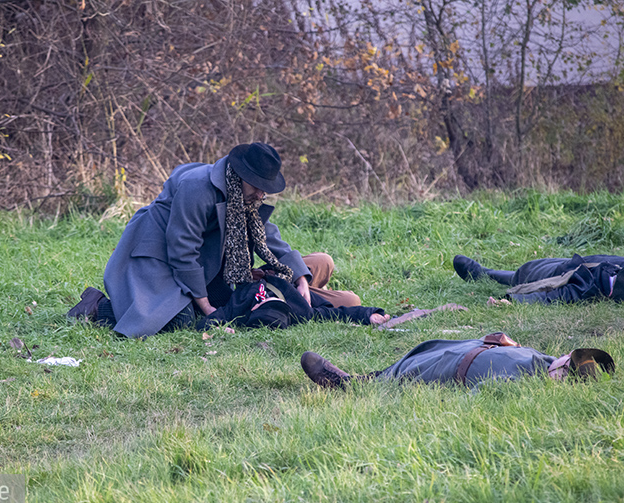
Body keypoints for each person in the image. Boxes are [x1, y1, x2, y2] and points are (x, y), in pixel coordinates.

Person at [68, 142, 367, 337]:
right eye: (259, 186)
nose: (263, 194)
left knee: (311, 270)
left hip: (209, 260)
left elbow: (266, 234)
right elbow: (182, 249)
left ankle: (294, 291)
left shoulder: (244, 194)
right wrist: (207, 308)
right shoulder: (196, 187)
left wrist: (300, 275)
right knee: (182, 318)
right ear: (240, 175)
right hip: (157, 256)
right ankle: (96, 307)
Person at [301, 332, 615, 389]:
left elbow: (482, 395)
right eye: (571, 355)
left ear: (562, 376)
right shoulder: (542, 360)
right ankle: (369, 378)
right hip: (462, 346)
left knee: (395, 377)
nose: (562, 358)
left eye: (568, 363)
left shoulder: (524, 385)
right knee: (413, 356)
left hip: (450, 368)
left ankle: (347, 385)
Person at [196, 273, 389, 331]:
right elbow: (336, 314)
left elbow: (208, 321)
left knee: (323, 263)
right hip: (293, 285)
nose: (269, 297)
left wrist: (221, 328)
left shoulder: (238, 310)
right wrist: (369, 314)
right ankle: (319, 289)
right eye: (276, 302)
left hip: (245, 275)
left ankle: (312, 283)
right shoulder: (300, 312)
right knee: (351, 299)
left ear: (254, 307)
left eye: (267, 301)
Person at [453, 253, 624, 304]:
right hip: (593, 263)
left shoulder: (593, 286)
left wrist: (512, 301)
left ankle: (485, 275)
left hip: (564, 273)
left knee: (525, 274)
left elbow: (556, 296)